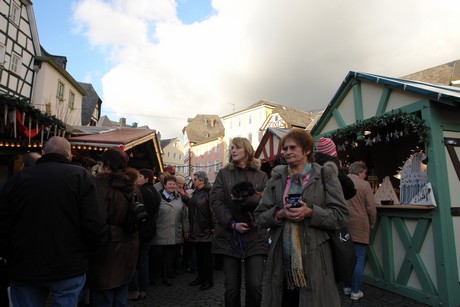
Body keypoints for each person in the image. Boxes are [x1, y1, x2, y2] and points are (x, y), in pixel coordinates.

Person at [0, 136, 107, 307]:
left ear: (43, 153)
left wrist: (8, 254)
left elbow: (4, 224)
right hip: (68, 265)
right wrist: (86, 255)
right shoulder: (81, 177)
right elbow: (95, 224)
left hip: (24, 265)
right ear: (69, 156)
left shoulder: (17, 180)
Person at [254, 128, 349, 307]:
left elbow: (341, 215)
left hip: (315, 256)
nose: (287, 152)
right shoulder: (276, 178)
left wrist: (311, 212)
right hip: (281, 257)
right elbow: (259, 216)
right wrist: (279, 214)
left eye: (292, 148)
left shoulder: (325, 175)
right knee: (285, 300)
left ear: (306, 150)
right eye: (285, 148)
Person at [211, 137, 268, 307]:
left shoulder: (261, 175)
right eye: (231, 148)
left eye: (237, 147)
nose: (233, 150)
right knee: (231, 289)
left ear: (247, 150)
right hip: (230, 236)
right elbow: (215, 201)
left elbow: (267, 201)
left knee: (255, 286)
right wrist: (231, 223)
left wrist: (246, 198)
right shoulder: (223, 174)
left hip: (255, 236)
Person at [87, 147, 139, 306]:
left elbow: (93, 219)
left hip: (106, 246)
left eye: (101, 164)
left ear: (107, 166)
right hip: (129, 243)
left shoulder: (100, 186)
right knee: (120, 292)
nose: (99, 167)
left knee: (104, 293)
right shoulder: (133, 187)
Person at [343, 161, 377, 300]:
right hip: (359, 224)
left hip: (343, 224)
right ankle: (355, 291)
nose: (365, 176)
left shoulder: (340, 182)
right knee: (358, 257)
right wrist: (372, 223)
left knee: (345, 257)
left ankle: (346, 287)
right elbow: (371, 208)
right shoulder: (364, 185)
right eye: (364, 173)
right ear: (359, 172)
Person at [128, 169, 161, 301]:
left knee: (136, 260)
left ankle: (134, 289)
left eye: (140, 176)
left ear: (146, 178)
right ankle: (143, 289)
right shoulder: (154, 190)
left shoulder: (141, 191)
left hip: (142, 230)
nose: (138, 178)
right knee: (144, 260)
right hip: (151, 230)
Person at [151, 175, 189, 287]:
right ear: (164, 185)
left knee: (170, 259)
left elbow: (184, 215)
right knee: (157, 258)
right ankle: (155, 277)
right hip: (160, 233)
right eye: (170, 184)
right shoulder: (157, 198)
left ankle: (167, 277)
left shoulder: (179, 198)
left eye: (174, 184)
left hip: (174, 233)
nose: (172, 186)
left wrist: (185, 230)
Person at [188, 171, 215, 290]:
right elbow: (192, 207)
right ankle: (201, 277)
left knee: (207, 258)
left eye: (195, 179)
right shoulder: (196, 193)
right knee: (199, 256)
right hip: (196, 229)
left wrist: (213, 227)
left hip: (206, 230)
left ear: (202, 180)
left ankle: (208, 280)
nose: (193, 181)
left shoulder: (209, 192)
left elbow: (213, 211)